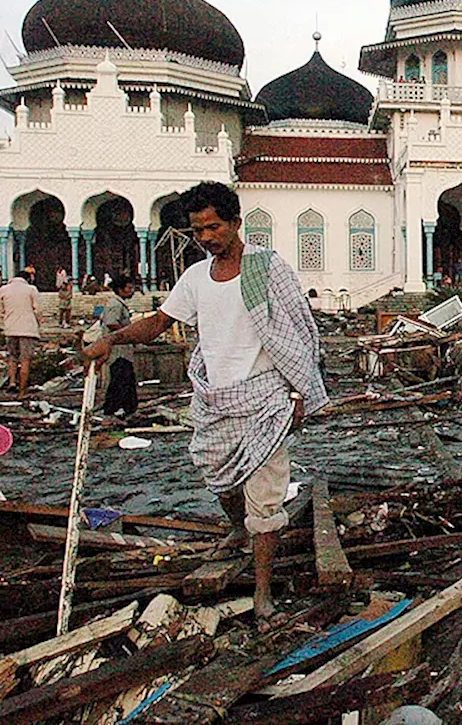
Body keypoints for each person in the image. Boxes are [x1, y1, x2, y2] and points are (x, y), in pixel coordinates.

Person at [82, 182, 326, 629]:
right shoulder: (195, 278)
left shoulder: (266, 268)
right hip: (215, 398)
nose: (207, 237)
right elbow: (159, 323)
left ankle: (263, 591)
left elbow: (300, 333)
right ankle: (237, 527)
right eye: (198, 231)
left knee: (265, 502)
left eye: (213, 227)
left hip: (267, 397)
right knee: (216, 474)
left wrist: (297, 392)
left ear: (235, 223)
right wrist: (112, 339)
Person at [100, 275, 139, 418]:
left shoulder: (119, 304)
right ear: (120, 289)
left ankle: (129, 409)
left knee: (127, 380)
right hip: (118, 350)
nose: (132, 291)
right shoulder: (115, 305)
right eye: (129, 288)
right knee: (119, 380)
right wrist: (126, 334)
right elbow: (112, 323)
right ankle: (111, 409)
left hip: (123, 349)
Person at [0, 266, 41, 398]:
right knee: (25, 360)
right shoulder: (31, 289)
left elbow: (1, 310)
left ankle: (12, 382)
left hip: (10, 328)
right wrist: (38, 324)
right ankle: (22, 391)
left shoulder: (3, 290)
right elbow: (37, 310)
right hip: (28, 329)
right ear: (27, 279)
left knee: (12, 357)